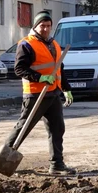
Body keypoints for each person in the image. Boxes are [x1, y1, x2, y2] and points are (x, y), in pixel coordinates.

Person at [4, 10, 76, 175]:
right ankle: (4, 158)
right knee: (24, 127)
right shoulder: (26, 44)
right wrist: (40, 77)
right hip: (35, 94)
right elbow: (19, 69)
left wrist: (67, 89)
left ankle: (57, 165)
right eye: (42, 25)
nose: (45, 29)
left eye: (48, 26)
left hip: (53, 94)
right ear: (35, 26)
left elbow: (59, 70)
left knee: (57, 128)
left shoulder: (54, 44)